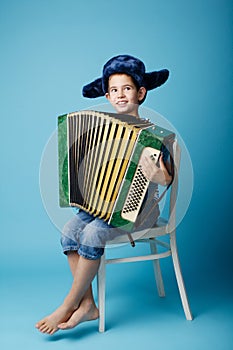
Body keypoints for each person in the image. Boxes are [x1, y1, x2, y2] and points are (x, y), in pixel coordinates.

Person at [35, 54, 172, 335]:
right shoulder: (101, 127)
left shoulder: (152, 135)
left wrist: (156, 174)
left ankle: (68, 304)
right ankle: (88, 306)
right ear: (107, 95)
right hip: (103, 205)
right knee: (69, 230)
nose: (120, 95)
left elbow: (167, 178)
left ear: (141, 92)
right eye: (113, 90)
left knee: (92, 234)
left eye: (127, 88)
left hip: (141, 209)